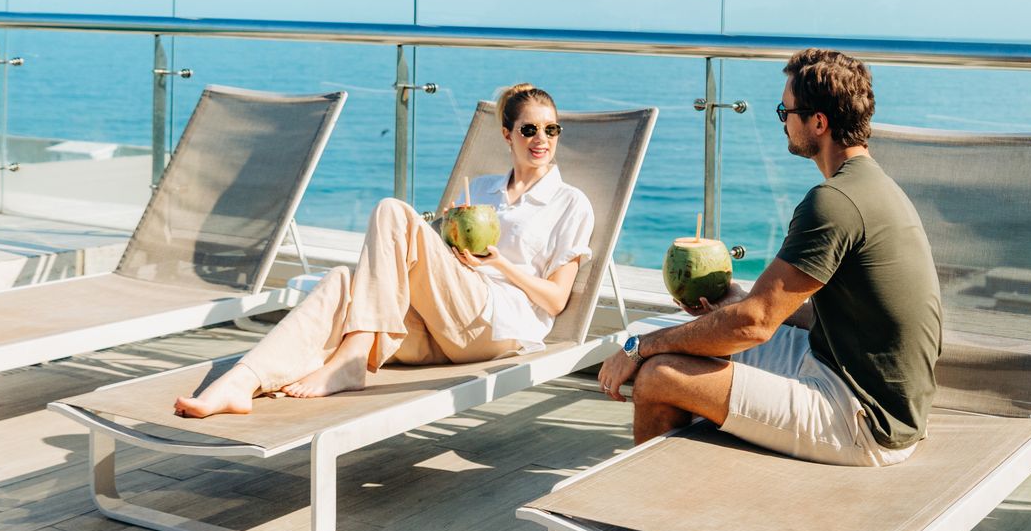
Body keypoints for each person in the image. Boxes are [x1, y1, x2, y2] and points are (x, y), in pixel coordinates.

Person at [598, 47, 942, 466]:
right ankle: (689, 480)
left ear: (819, 122)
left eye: (786, 111)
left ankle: (647, 516)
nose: (783, 121)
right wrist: (737, 302)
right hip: (848, 372)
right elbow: (822, 314)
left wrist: (640, 348)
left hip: (861, 416)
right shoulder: (874, 185)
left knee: (659, 374)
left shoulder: (833, 202)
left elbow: (755, 325)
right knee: (696, 338)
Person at [175, 82, 594, 416]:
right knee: (342, 283)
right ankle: (240, 382)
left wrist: (500, 262)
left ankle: (352, 358)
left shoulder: (570, 203)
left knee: (392, 210)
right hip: (441, 323)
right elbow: (424, 259)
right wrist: (445, 243)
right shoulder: (482, 190)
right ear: (508, 134)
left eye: (551, 129)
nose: (541, 139)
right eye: (529, 129)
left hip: (495, 324)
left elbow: (555, 301)